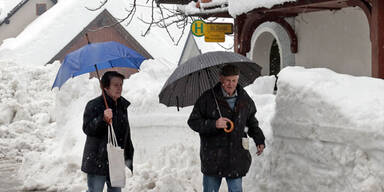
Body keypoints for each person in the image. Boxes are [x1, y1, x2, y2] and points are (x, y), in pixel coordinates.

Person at [188, 64, 265, 192]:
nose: (231, 84)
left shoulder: (245, 99)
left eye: (234, 80)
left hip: (236, 157)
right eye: (228, 80)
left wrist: (259, 139)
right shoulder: (207, 98)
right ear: (221, 79)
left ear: (238, 79)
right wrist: (214, 124)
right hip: (213, 157)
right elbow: (193, 121)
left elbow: (251, 122)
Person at [81, 71, 134, 192]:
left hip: (115, 158)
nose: (119, 88)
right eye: (115, 85)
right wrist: (102, 119)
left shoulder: (122, 106)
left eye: (121, 84)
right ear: (105, 87)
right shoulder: (94, 105)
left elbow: (125, 132)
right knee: (95, 190)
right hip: (97, 160)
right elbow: (87, 128)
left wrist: (128, 153)